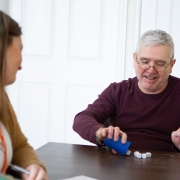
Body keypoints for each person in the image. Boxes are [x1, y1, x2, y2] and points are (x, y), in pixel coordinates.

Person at [73, 29, 180, 154]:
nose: (151, 70)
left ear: (172, 65)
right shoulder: (118, 91)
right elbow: (81, 119)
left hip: (168, 167)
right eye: (144, 62)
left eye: (160, 63)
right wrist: (100, 132)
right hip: (120, 162)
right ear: (134, 60)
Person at [0, 10, 48, 179]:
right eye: (20, 49)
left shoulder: (2, 98)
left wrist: (32, 167)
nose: (21, 62)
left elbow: (19, 145)